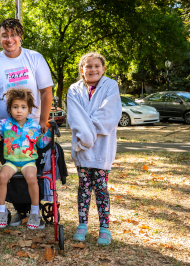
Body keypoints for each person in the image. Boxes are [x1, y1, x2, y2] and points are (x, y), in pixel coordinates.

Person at [0, 18, 53, 227]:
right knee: (9, 172)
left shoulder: (34, 58)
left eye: (13, 34)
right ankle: (18, 211)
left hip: (32, 130)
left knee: (33, 173)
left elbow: (46, 91)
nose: (9, 39)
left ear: (20, 36)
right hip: (6, 131)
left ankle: (34, 211)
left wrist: (43, 121)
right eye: (5, 35)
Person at [67, 52, 122, 246]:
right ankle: (82, 224)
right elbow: (75, 118)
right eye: (88, 66)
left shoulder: (111, 87)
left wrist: (88, 132)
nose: (92, 69)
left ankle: (104, 227)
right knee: (83, 186)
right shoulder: (74, 90)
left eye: (96, 66)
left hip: (102, 147)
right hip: (82, 147)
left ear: (103, 68)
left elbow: (109, 115)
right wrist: (86, 135)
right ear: (82, 69)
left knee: (100, 187)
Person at [0, 88, 51, 229]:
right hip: (11, 161)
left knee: (32, 178)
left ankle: (34, 211)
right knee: (2, 177)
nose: (19, 110)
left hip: (28, 161)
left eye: (23, 107)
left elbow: (42, 143)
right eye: (15, 107)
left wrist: (49, 131)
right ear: (10, 109)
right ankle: (1, 211)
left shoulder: (34, 126)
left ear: (29, 109)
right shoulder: (5, 124)